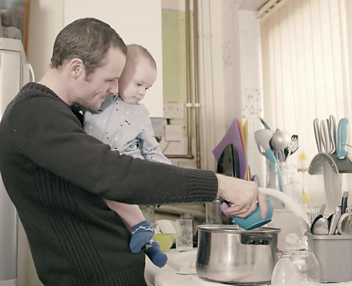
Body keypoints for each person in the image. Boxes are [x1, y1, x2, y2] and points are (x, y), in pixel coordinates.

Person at [0, 17, 267, 286]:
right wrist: (219, 184)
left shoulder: (61, 114)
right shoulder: (35, 112)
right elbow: (116, 173)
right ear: (77, 68)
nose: (115, 89)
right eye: (110, 79)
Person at [83, 44, 171, 268]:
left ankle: (142, 227)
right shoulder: (98, 98)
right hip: (95, 167)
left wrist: (168, 175)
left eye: (147, 88)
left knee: (116, 185)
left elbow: (151, 148)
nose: (142, 92)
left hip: (126, 166)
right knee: (109, 203)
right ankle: (149, 243)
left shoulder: (141, 113)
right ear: (119, 74)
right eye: (138, 84)